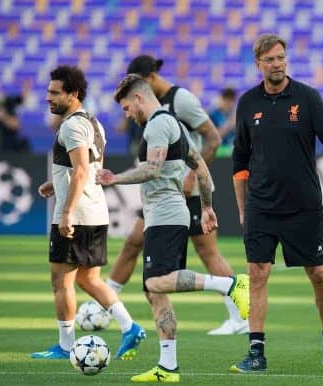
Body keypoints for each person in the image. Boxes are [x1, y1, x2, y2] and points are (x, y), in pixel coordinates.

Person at [97, 74, 250, 382]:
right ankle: (167, 367)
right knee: (153, 292)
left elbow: (152, 170)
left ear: (139, 98)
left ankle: (231, 285)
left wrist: (115, 179)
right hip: (165, 215)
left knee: (157, 283)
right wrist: (206, 207)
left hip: (166, 215)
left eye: (127, 108)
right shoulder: (175, 125)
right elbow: (202, 169)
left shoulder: (156, 125)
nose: (127, 115)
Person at [230, 34, 323, 374]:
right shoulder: (248, 102)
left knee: (319, 274)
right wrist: (242, 208)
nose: (277, 64)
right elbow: (239, 161)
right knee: (257, 273)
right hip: (261, 207)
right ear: (258, 64)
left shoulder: (307, 97)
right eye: (270, 59)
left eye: (281, 57)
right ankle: (256, 352)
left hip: (304, 205)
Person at [31, 65, 146, 360]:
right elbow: (89, 169)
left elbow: (82, 169)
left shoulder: (70, 126)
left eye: (55, 93)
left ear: (73, 94)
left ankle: (66, 346)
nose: (48, 98)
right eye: (48, 92)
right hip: (96, 212)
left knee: (61, 281)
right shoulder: (93, 123)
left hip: (76, 215)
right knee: (89, 279)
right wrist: (55, 183)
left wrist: (66, 211)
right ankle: (129, 326)